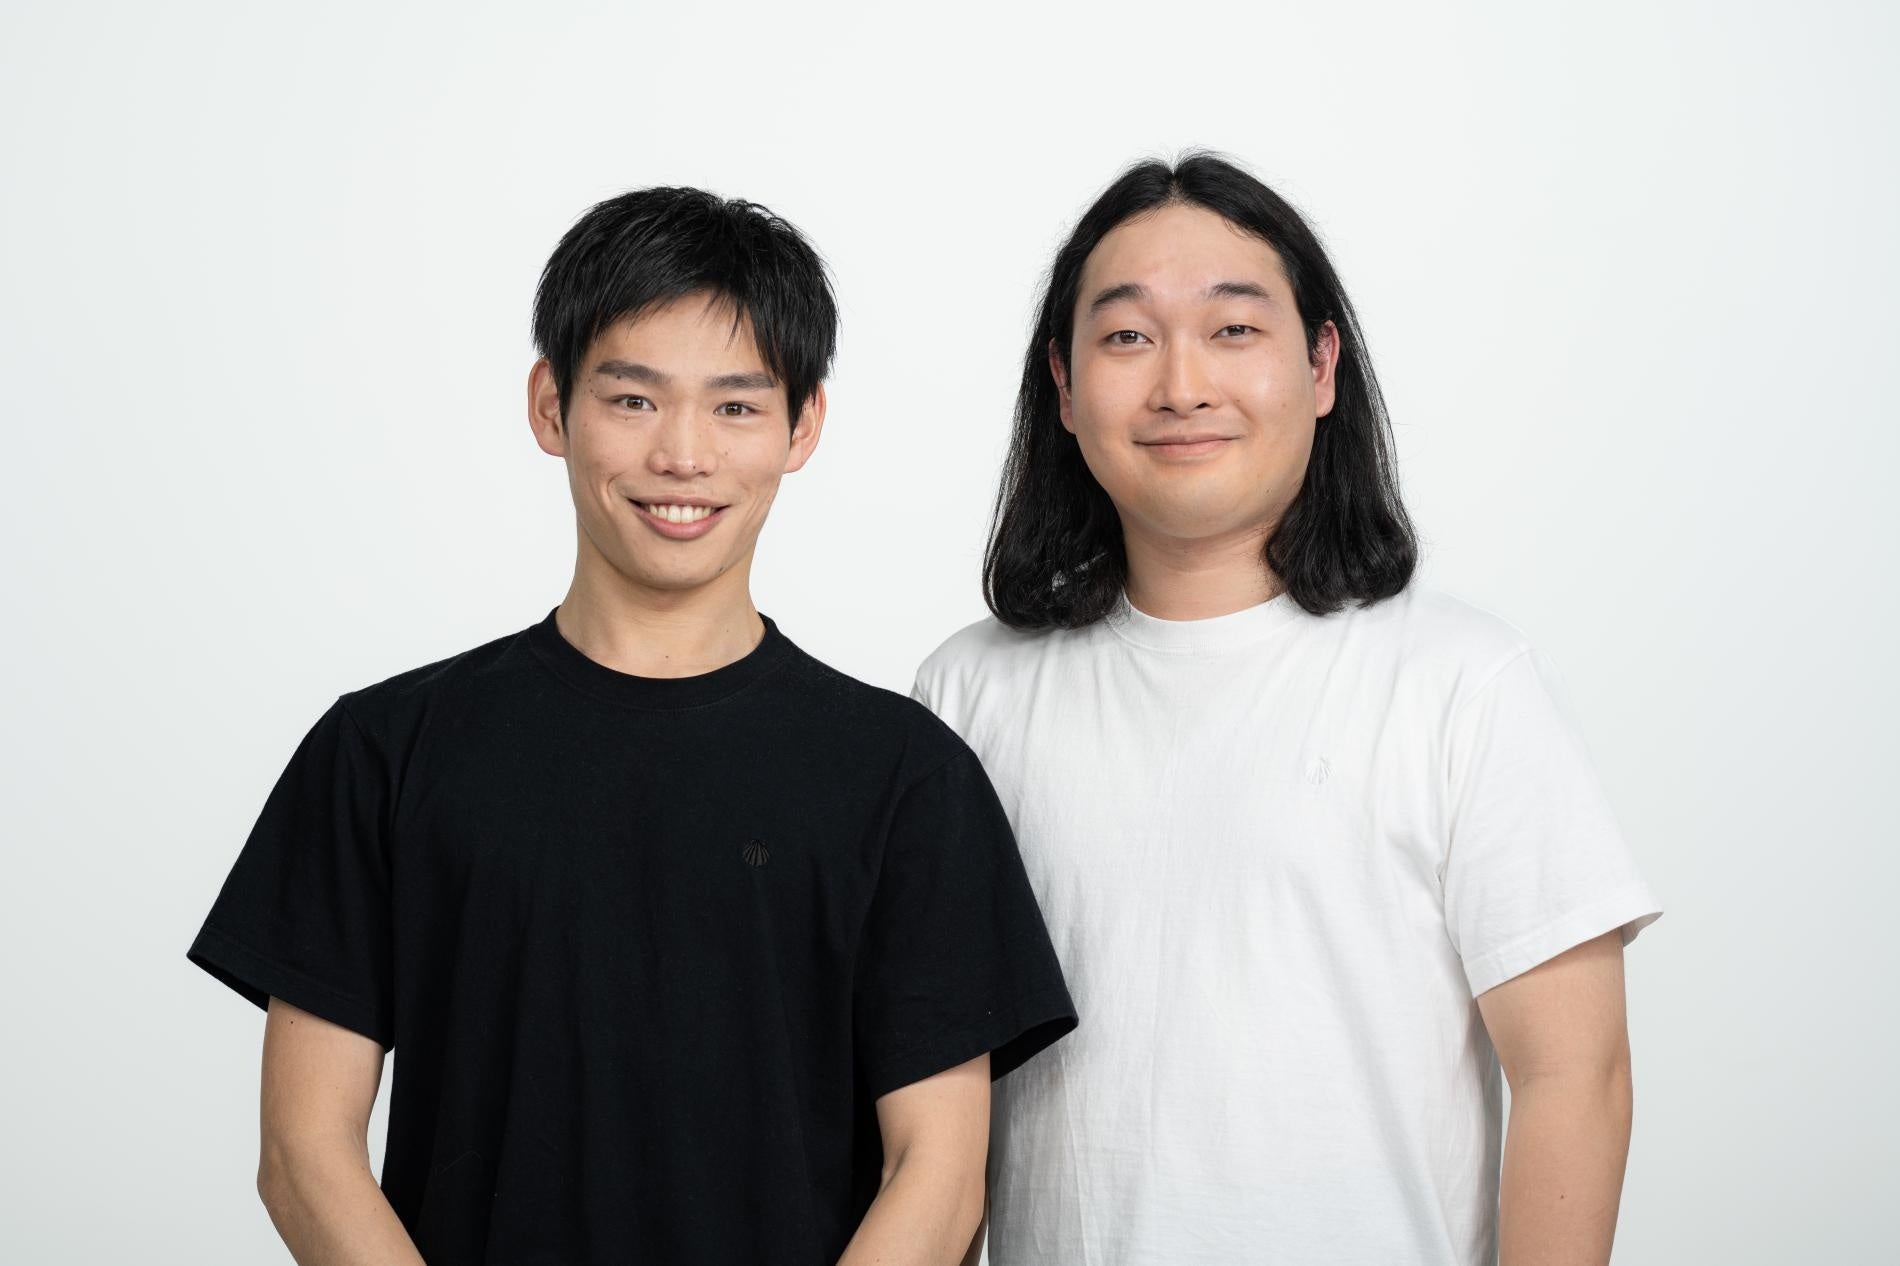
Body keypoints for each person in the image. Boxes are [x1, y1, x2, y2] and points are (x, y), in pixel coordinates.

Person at [188, 185, 1075, 1266]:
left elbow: (937, 1177)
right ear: (550, 406)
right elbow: (304, 1152)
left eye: (736, 407)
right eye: (633, 399)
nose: (683, 456)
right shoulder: (383, 751)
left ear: (803, 426)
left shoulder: (905, 777)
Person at [913, 153, 1662, 1266]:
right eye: (1127, 336)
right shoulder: (968, 694)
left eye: (1233, 330)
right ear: (1063, 387)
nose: (1181, 385)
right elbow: (933, 1115)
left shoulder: (1459, 681)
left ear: (1320, 366)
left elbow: (1575, 1076)